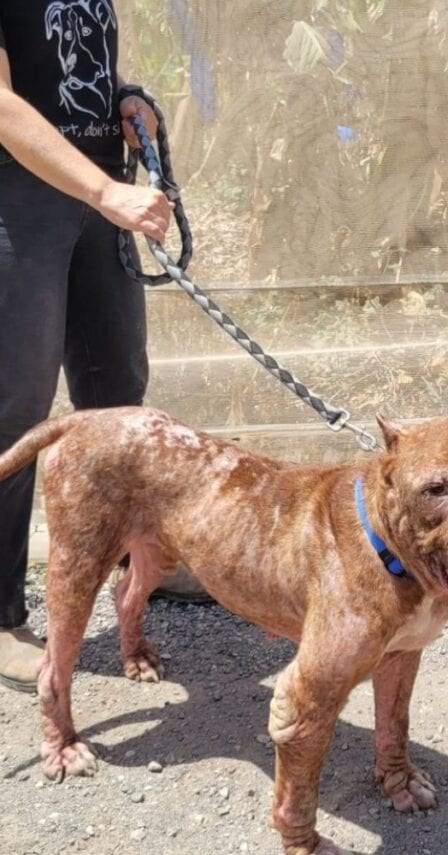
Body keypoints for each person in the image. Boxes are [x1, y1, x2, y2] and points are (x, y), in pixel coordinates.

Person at [0, 0, 170, 693]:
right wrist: (105, 189)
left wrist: (123, 98)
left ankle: (142, 566)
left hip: (95, 196)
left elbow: (73, 62)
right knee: (16, 407)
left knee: (118, 394)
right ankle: (1, 613)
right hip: (18, 203)